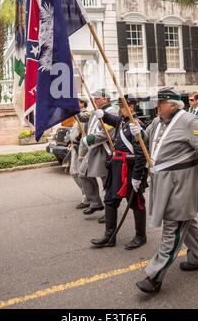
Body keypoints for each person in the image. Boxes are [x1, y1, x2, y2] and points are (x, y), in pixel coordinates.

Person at [129, 86, 198, 295]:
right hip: (164, 181)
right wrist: (138, 133)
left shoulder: (190, 121)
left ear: (173, 104)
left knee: (173, 227)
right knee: (187, 222)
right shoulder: (158, 121)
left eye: (161, 103)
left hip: (182, 182)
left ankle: (154, 276)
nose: (156, 106)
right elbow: (149, 142)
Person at [90, 94, 148, 249]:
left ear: (131, 107)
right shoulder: (122, 121)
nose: (119, 109)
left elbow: (141, 154)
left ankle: (141, 236)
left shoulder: (137, 125)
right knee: (110, 200)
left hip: (129, 169)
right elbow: (112, 120)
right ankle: (109, 236)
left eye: (122, 106)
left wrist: (137, 177)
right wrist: (103, 114)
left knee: (135, 202)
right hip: (116, 167)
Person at [78, 89, 115, 217]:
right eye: (94, 98)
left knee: (106, 181)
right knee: (83, 173)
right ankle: (95, 203)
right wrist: (72, 109)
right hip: (92, 149)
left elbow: (108, 132)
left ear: (105, 99)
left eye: (97, 98)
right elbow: (83, 117)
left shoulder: (112, 112)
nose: (95, 100)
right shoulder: (94, 111)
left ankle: (110, 211)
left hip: (104, 149)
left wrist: (90, 139)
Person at [62, 96, 90, 209]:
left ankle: (87, 197)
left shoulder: (84, 115)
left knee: (80, 174)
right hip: (74, 147)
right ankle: (86, 195)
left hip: (79, 148)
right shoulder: (77, 115)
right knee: (74, 173)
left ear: (82, 104)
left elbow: (83, 134)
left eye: (77, 102)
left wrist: (82, 153)